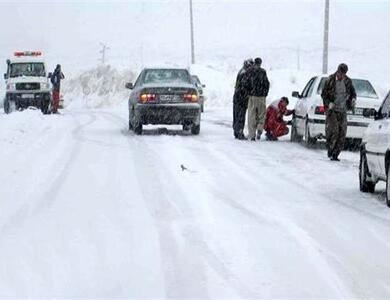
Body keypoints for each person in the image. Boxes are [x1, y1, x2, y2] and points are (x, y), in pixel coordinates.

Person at [321, 63, 356, 161]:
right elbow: (323, 94)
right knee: (333, 130)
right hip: (332, 110)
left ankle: (335, 154)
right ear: (338, 71)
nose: (342, 76)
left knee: (342, 132)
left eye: (344, 74)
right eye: (341, 73)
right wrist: (328, 104)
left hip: (343, 110)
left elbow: (353, 93)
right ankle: (330, 149)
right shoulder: (330, 80)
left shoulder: (348, 81)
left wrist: (353, 100)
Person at [247, 57, 270, 141]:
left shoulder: (250, 71)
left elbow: (247, 83)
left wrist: (249, 93)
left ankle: (252, 134)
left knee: (252, 115)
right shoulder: (263, 72)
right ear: (260, 63)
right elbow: (267, 83)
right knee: (262, 114)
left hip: (252, 96)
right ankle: (260, 129)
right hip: (261, 97)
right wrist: (265, 93)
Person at [233, 59, 253, 140]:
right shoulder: (245, 73)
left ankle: (236, 131)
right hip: (241, 99)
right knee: (241, 116)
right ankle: (240, 132)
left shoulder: (241, 71)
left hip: (236, 97)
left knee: (236, 115)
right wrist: (247, 94)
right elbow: (244, 87)